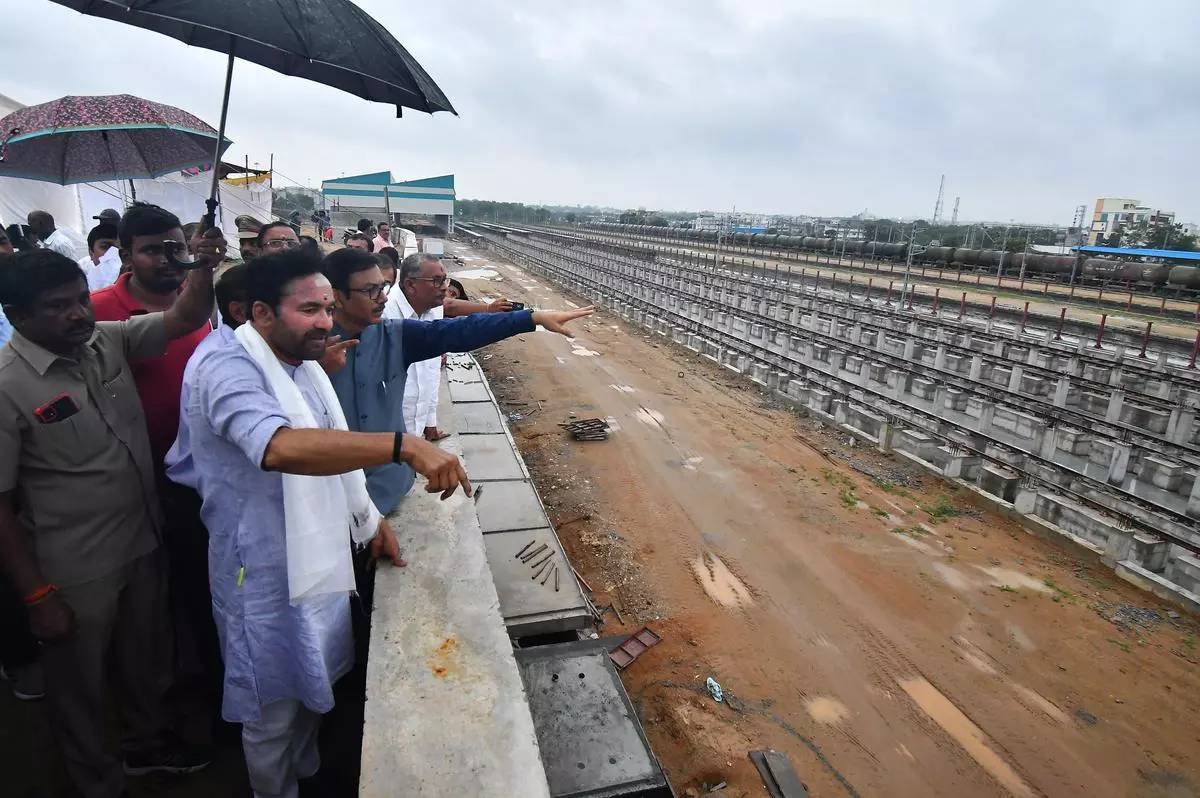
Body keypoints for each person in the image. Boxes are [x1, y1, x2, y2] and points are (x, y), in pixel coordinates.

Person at [180, 249, 469, 798]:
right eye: (309, 309)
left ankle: (308, 777)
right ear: (261, 313)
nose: (325, 321)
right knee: (271, 708)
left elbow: (328, 445)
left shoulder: (301, 363)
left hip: (315, 555)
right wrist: (401, 446)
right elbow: (279, 446)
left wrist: (367, 518)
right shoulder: (225, 367)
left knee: (313, 684)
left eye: (327, 307)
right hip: (260, 569)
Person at [0, 231, 225, 798]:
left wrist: (200, 265)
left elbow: (185, 317)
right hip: (72, 569)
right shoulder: (7, 387)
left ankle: (146, 747)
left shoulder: (106, 341)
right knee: (78, 687)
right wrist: (35, 595)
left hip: (141, 540)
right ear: (16, 314)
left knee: (145, 659)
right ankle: (94, 781)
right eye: (58, 307)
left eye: (80, 298)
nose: (78, 314)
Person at [324, 247, 592, 516]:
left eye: (383, 287)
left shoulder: (393, 336)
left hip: (389, 492)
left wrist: (531, 318)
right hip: (334, 502)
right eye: (370, 290)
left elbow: (460, 330)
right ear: (336, 297)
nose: (382, 297)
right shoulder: (305, 357)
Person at [91, 203, 213, 465]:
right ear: (126, 256)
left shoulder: (202, 301)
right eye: (152, 250)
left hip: (201, 462)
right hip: (133, 469)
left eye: (176, 248)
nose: (167, 259)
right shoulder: (94, 310)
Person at [381, 253, 514, 444]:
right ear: (411, 285)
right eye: (436, 281)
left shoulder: (431, 305)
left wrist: (430, 421)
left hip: (414, 428)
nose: (444, 287)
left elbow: (431, 374)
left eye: (445, 280)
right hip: (387, 433)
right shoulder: (386, 315)